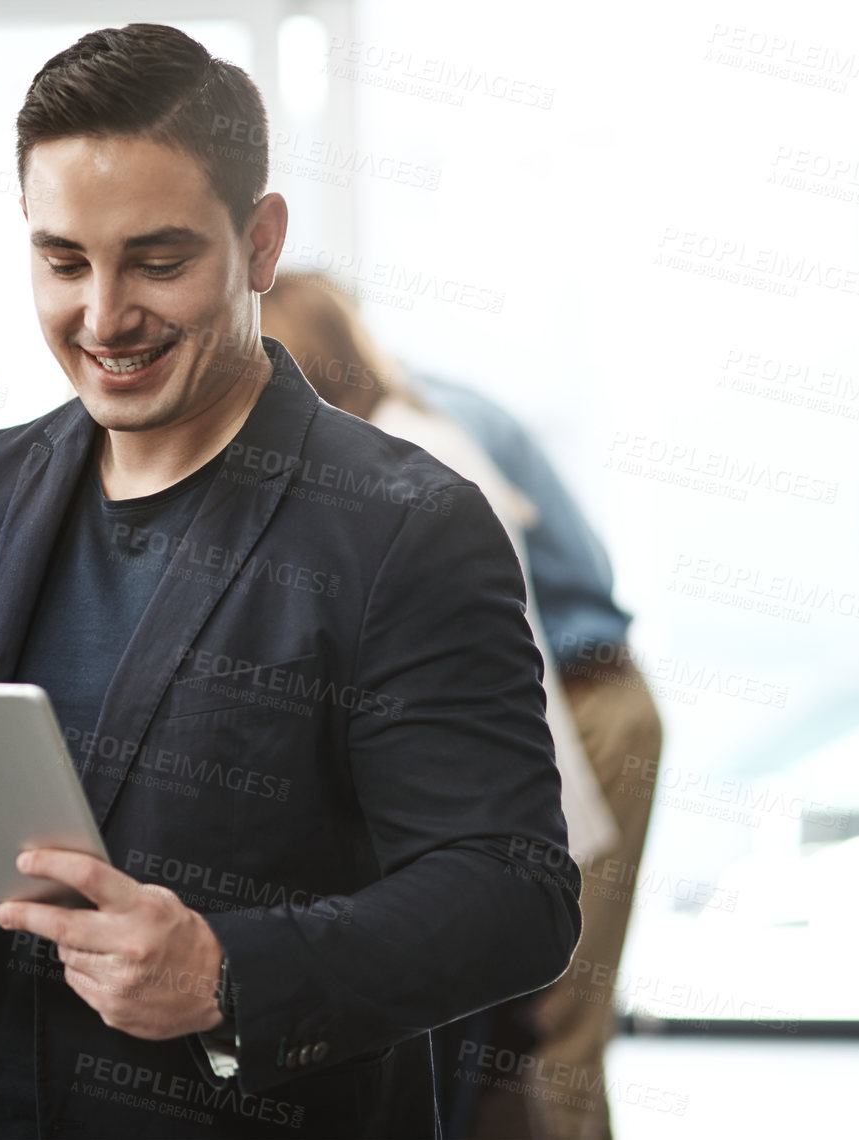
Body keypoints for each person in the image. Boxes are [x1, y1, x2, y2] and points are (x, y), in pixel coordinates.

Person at [0, 23, 580, 1138]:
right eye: (63, 262)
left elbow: (513, 895)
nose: (104, 317)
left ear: (259, 243)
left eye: (157, 262)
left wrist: (227, 974)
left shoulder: (407, 527)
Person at [262, 273, 663, 1140]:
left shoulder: (418, 451)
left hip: (585, 716)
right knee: (499, 1052)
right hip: (551, 732)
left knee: (555, 1039)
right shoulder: (386, 437)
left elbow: (499, 667)